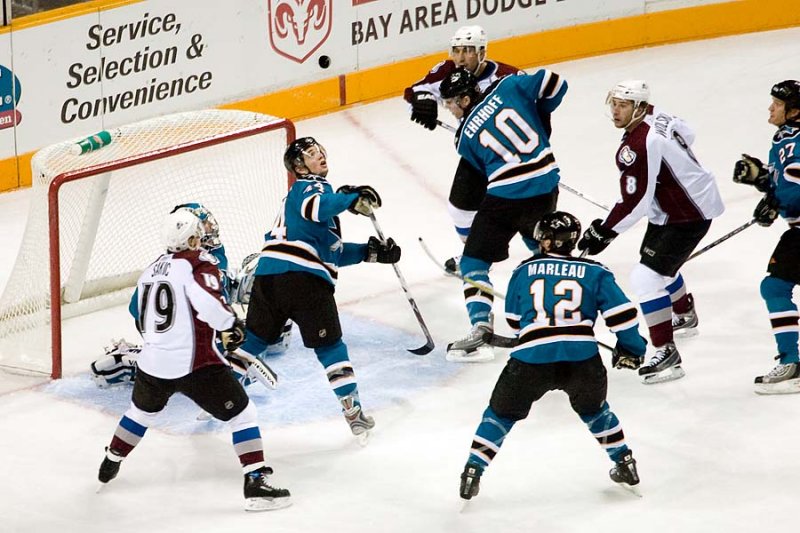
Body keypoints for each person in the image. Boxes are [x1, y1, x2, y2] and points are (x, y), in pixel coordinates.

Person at [96, 209, 291, 512]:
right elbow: (208, 304)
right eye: (197, 234)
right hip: (196, 365)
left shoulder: (150, 271)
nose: (201, 238)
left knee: (140, 413)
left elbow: (140, 317)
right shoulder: (198, 265)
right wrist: (231, 326)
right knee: (243, 415)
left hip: (151, 363)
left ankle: (112, 459)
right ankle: (256, 483)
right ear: (190, 238)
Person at [459, 211, 647, 501]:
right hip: (582, 359)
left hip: (530, 361)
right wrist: (632, 349)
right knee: (596, 411)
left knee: (500, 415)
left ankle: (474, 469)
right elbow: (622, 315)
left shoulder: (524, 270)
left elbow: (512, 320)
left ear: (547, 241)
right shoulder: (596, 271)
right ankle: (625, 462)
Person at [235, 137, 401, 439]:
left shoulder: (300, 206)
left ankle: (224, 394)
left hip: (268, 278)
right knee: (330, 347)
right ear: (299, 167)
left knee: (255, 341)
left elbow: (332, 250)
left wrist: (370, 252)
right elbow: (318, 206)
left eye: (321, 151)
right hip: (302, 281)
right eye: (312, 155)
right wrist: (349, 198)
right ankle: (354, 412)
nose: (320, 156)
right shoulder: (310, 187)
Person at [577, 80, 724, 384]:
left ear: (639, 107)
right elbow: (689, 132)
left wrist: (604, 231)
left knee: (646, 277)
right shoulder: (659, 116)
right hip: (679, 206)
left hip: (687, 214)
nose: (616, 110)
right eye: (614, 103)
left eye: (623, 105)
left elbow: (635, 202)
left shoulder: (636, 146)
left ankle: (665, 351)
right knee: (658, 267)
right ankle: (683, 311)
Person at [438, 67, 567, 363]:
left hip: (506, 197)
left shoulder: (463, 137)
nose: (450, 109)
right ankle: (561, 319)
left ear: (467, 98)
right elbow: (556, 83)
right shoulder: (509, 87)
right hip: (546, 184)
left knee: (473, 261)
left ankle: (481, 329)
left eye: (452, 103)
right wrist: (541, 119)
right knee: (543, 252)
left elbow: (483, 173)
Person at [90, 203, 291, 388]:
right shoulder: (186, 263)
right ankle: (137, 360)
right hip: (177, 335)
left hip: (183, 332)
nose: (210, 228)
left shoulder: (201, 255)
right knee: (222, 372)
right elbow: (142, 310)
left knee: (266, 334)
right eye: (203, 225)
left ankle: (159, 363)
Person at [403, 25, 524, 249]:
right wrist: (424, 102)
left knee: (521, 208)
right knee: (460, 209)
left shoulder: (507, 76)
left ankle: (543, 254)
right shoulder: (448, 70)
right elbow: (417, 90)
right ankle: (472, 254)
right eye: (456, 50)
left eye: (467, 51)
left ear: (481, 52)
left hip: (513, 154)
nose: (460, 58)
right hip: (476, 153)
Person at [733, 79, 800, 394]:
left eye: (777, 104)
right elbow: (784, 183)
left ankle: (792, 362)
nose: (771, 108)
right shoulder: (786, 136)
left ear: (795, 110)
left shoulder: (796, 140)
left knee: (774, 286)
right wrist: (761, 180)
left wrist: (776, 203)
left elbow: (795, 188)